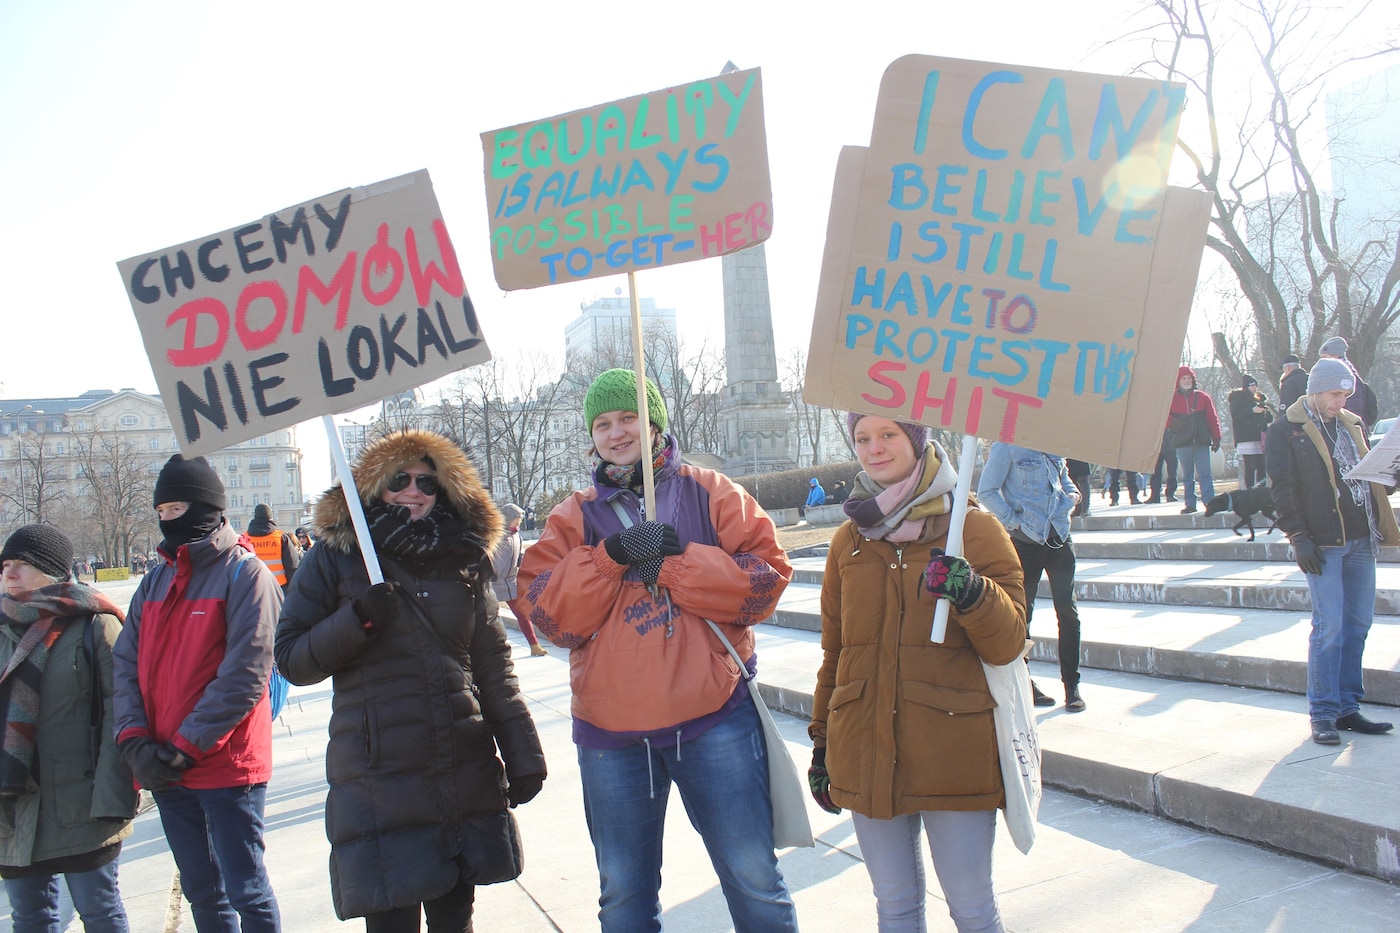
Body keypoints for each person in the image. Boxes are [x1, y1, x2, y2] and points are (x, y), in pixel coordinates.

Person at [515, 368, 798, 933]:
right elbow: (546, 614)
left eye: (629, 418)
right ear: (591, 435)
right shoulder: (573, 516)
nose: (617, 432)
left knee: (754, 880)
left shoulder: (711, 491)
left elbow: (766, 580)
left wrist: (675, 565)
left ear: (655, 423)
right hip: (611, 734)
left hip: (715, 719)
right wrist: (608, 557)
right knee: (624, 898)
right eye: (603, 423)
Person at [276, 430, 546, 931]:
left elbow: (492, 666)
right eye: (399, 479)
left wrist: (523, 753)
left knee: (455, 923)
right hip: (380, 778)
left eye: (427, 481)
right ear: (376, 486)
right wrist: (357, 618)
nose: (413, 490)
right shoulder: (337, 556)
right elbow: (292, 657)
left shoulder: (465, 558)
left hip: (459, 769)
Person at [808, 414, 1026, 933]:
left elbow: (1010, 641)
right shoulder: (849, 540)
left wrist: (973, 593)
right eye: (863, 438)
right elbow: (836, 654)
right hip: (864, 748)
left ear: (917, 439)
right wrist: (823, 744)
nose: (874, 448)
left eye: (888, 435)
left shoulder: (971, 527)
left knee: (972, 908)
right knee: (896, 906)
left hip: (952, 748)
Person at [112, 454, 283, 932]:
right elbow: (124, 663)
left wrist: (187, 747)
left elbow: (245, 675)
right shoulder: (154, 580)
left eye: (177, 507)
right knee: (202, 893)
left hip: (226, 767)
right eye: (161, 510)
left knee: (245, 890)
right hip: (162, 762)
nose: (169, 519)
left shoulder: (245, 575)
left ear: (208, 507)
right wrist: (133, 739)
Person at [0, 525, 138, 932]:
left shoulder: (95, 624)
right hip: (13, 810)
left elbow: (123, 714)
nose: (8, 574)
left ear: (51, 571)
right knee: (29, 918)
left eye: (20, 565)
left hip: (82, 806)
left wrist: (112, 800)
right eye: (4, 565)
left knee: (99, 912)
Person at [1265, 358, 1400, 746]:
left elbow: (1366, 478)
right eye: (1335, 394)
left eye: (1345, 394)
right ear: (1316, 390)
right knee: (1330, 628)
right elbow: (1282, 487)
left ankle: (1346, 706)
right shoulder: (1285, 430)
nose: (1341, 402)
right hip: (1324, 542)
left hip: (1362, 538)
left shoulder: (1352, 425)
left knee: (1358, 625)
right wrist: (1298, 537)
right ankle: (1323, 712)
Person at [979, 443, 1086, 713]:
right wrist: (1013, 523)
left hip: (1060, 537)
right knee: (1022, 615)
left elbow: (1065, 480)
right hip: (1026, 542)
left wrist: (1073, 496)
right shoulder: (1007, 447)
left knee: (1069, 612)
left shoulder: (1053, 442)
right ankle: (1025, 682)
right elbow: (987, 491)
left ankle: (1072, 686)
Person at [491, 502, 547, 657]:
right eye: (517, 518)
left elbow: (519, 555)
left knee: (522, 614)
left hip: (510, 582)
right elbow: (488, 556)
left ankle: (534, 645)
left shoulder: (517, 535)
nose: (519, 521)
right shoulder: (496, 535)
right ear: (508, 519)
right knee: (489, 618)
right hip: (494, 583)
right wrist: (490, 573)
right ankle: (494, 650)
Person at [1167, 365, 1221, 514]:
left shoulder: (1203, 397)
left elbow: (1212, 418)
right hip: (1182, 442)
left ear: (1193, 379)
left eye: (1189, 378)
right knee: (1187, 475)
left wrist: (1216, 437)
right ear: (1179, 380)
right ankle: (1190, 503)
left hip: (1201, 441)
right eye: (1183, 378)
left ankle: (1210, 502)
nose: (1186, 381)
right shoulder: (1171, 399)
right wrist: (1172, 421)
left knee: (1205, 473)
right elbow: (1162, 416)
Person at [1317, 336, 1379, 429]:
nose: (1322, 361)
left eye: (1325, 357)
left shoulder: (1344, 375)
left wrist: (1352, 429)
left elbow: (1354, 408)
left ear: (1335, 356)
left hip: (1349, 429)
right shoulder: (1343, 372)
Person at [1228, 375, 1275, 488]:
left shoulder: (1259, 399)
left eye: (1256, 385)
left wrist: (1264, 411)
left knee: (1262, 466)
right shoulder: (1237, 399)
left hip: (1260, 437)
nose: (1255, 388)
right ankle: (1249, 491)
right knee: (1250, 467)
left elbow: (1269, 419)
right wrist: (1252, 411)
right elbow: (1236, 415)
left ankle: (1261, 490)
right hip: (1246, 438)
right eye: (1252, 386)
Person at [247, 503, 300, 594]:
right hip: (279, 588)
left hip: (253, 589)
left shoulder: (245, 538)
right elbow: (292, 566)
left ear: (255, 517)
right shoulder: (281, 537)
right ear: (270, 517)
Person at [1146, 426, 1179, 504]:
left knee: (1172, 473)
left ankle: (1170, 494)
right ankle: (1155, 495)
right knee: (1155, 473)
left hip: (1171, 446)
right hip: (1156, 448)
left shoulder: (1171, 414)